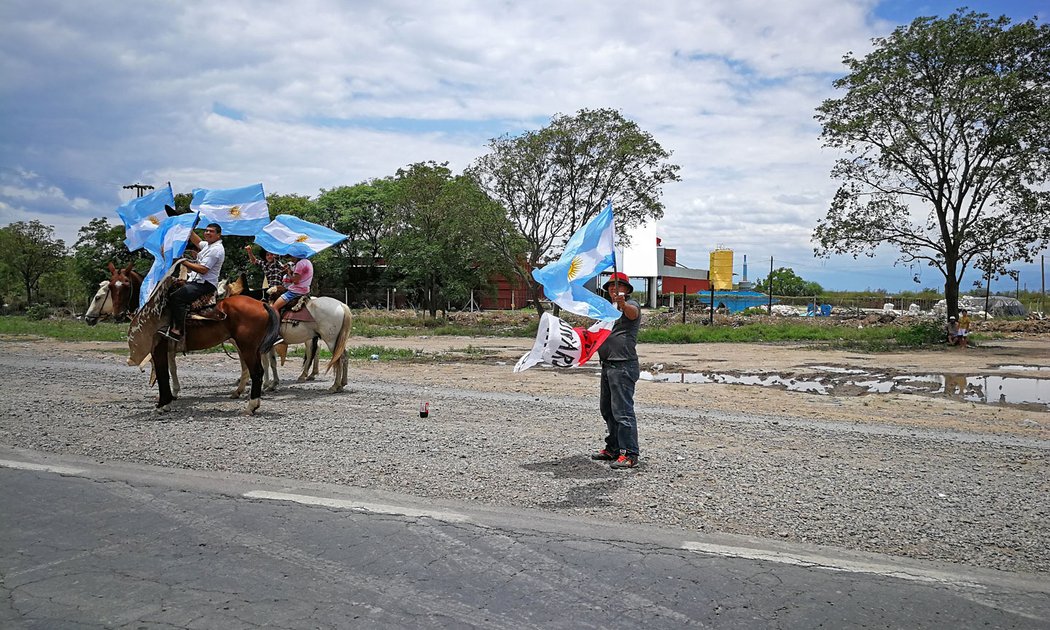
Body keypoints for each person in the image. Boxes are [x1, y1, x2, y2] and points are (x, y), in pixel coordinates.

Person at [590, 271, 642, 469]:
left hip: (623, 365)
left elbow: (632, 313)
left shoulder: (631, 304)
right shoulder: (607, 310)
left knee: (623, 412)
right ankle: (613, 448)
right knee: (608, 410)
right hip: (608, 365)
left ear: (626, 290)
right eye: (611, 286)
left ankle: (630, 454)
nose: (614, 288)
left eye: (618, 286)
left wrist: (622, 304)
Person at [161, 223, 225, 341]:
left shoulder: (216, 250)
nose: (207, 233)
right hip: (195, 281)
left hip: (205, 284)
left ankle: (178, 330)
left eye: (211, 231)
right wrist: (185, 224)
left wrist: (181, 261)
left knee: (177, 297)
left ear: (218, 235)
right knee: (167, 286)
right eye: (206, 231)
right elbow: (196, 240)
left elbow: (203, 270)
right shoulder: (208, 245)